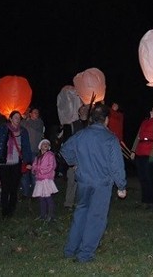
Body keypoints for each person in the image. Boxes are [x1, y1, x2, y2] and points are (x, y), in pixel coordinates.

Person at [60, 103, 127, 263]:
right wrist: (121, 186)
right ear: (106, 120)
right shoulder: (110, 138)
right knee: (96, 217)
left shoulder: (81, 135)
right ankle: (85, 254)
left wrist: (75, 162)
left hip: (83, 182)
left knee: (81, 213)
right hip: (101, 184)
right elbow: (116, 164)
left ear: (92, 119)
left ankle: (71, 249)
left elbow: (64, 150)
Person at [0, 110, 34, 218]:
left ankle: (11, 210)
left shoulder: (23, 131)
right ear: (10, 118)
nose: (18, 119)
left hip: (16, 163)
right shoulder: (2, 128)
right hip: (4, 163)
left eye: (19, 117)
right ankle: (4, 211)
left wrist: (28, 162)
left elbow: (26, 147)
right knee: (5, 188)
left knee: (13, 188)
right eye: (15, 117)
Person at [130, 105, 153, 209]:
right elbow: (138, 137)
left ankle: (152, 201)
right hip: (140, 151)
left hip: (149, 153)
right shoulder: (144, 122)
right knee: (142, 177)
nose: (152, 109)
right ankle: (144, 200)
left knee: (150, 178)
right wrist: (133, 150)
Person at [63, 104, 89, 210]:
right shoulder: (72, 125)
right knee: (72, 181)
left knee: (87, 183)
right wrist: (72, 162)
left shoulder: (92, 125)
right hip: (76, 158)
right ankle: (68, 203)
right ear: (78, 113)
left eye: (86, 108)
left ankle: (84, 203)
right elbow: (67, 145)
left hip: (89, 159)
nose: (84, 110)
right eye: (81, 109)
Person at [32, 138, 59, 222]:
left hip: (46, 179)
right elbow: (34, 166)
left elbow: (51, 166)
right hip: (40, 180)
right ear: (40, 146)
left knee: (48, 197)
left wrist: (39, 170)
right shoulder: (38, 157)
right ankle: (42, 215)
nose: (46, 144)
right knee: (41, 198)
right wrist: (33, 169)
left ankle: (51, 215)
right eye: (44, 143)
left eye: (47, 143)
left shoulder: (50, 155)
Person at [21, 107, 45, 198]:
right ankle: (25, 193)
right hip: (25, 152)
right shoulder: (25, 122)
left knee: (34, 173)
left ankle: (35, 193)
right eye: (34, 112)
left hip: (35, 151)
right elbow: (20, 125)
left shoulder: (39, 122)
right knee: (24, 172)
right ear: (30, 114)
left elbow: (31, 125)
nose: (36, 114)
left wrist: (26, 118)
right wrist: (25, 119)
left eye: (37, 113)